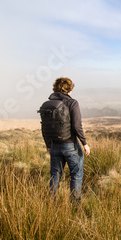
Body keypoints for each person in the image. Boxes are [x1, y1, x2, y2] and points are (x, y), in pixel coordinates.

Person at [42, 77, 90, 205]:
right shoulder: (72, 103)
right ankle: (74, 205)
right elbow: (76, 125)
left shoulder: (48, 104)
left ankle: (51, 203)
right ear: (69, 89)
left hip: (54, 146)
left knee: (55, 175)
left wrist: (48, 145)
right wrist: (84, 143)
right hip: (70, 145)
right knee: (76, 173)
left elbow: (44, 126)